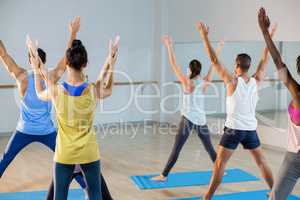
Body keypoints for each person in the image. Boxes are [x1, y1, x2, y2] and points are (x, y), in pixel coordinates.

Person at [0, 16, 88, 199]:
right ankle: (89, 189)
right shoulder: (51, 77)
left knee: (5, 159)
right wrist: (72, 33)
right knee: (70, 160)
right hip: (42, 131)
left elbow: (4, 56)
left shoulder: (21, 76)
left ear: (30, 60)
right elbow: (66, 60)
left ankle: (87, 187)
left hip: (29, 130)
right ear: (44, 61)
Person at [27, 31, 119, 200]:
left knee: (59, 196)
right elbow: (108, 87)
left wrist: (35, 65)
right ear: (85, 64)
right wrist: (111, 62)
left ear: (67, 63)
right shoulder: (92, 90)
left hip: (64, 153)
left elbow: (40, 90)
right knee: (96, 195)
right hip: (89, 152)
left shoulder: (56, 91)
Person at [196, 21, 277, 200]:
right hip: (250, 130)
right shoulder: (256, 81)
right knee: (262, 162)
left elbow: (214, 60)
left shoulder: (232, 81)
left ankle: (207, 197)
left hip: (233, 130)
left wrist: (204, 36)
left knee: (219, 163)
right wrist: (269, 36)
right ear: (249, 66)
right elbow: (265, 59)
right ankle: (275, 194)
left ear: (236, 66)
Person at [152, 35, 224, 181]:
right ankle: (221, 170)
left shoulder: (187, 82)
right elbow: (214, 63)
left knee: (176, 149)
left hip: (187, 120)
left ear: (190, 69)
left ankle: (164, 175)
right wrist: (219, 47)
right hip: (201, 120)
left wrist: (168, 45)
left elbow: (173, 63)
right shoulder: (204, 82)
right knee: (209, 147)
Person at [258, 7, 300, 200]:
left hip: (294, 157)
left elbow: (277, 61)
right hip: (292, 158)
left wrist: (265, 32)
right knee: (275, 196)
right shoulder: (297, 91)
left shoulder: (297, 92)